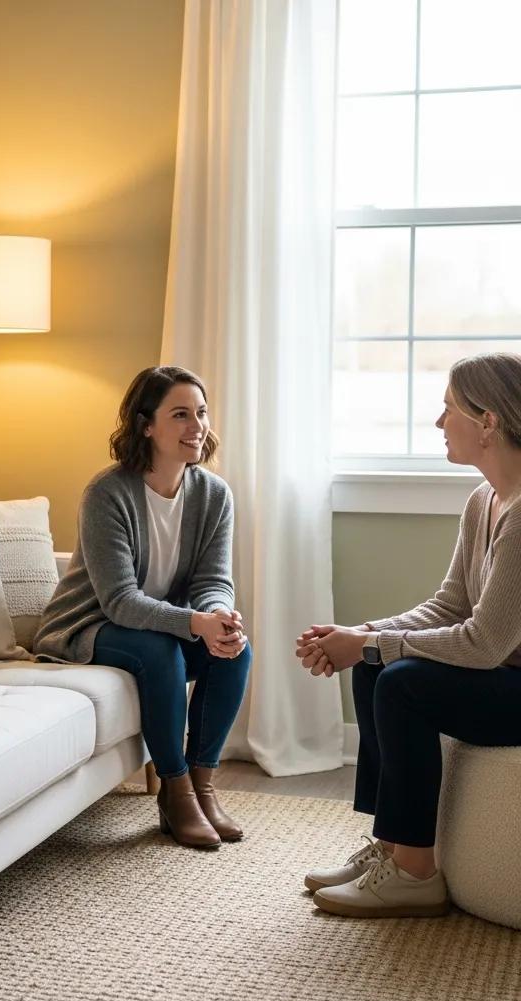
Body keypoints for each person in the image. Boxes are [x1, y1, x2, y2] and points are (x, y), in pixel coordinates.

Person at [296, 352, 521, 918]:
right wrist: (361, 634)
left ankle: (417, 874)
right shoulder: (484, 501)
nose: (439, 423)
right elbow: (449, 605)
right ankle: (394, 848)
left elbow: (483, 643)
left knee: (400, 682)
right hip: (503, 675)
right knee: (376, 666)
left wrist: (369, 643)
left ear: (489, 421)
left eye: (448, 410)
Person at [33, 365, 251, 849]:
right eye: (180, 415)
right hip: (89, 625)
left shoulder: (213, 494)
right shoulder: (108, 493)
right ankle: (173, 791)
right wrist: (194, 622)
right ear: (145, 424)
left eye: (201, 413)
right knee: (160, 653)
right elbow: (120, 602)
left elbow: (213, 580)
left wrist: (217, 617)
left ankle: (202, 785)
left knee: (236, 648)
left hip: (157, 624)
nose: (197, 426)